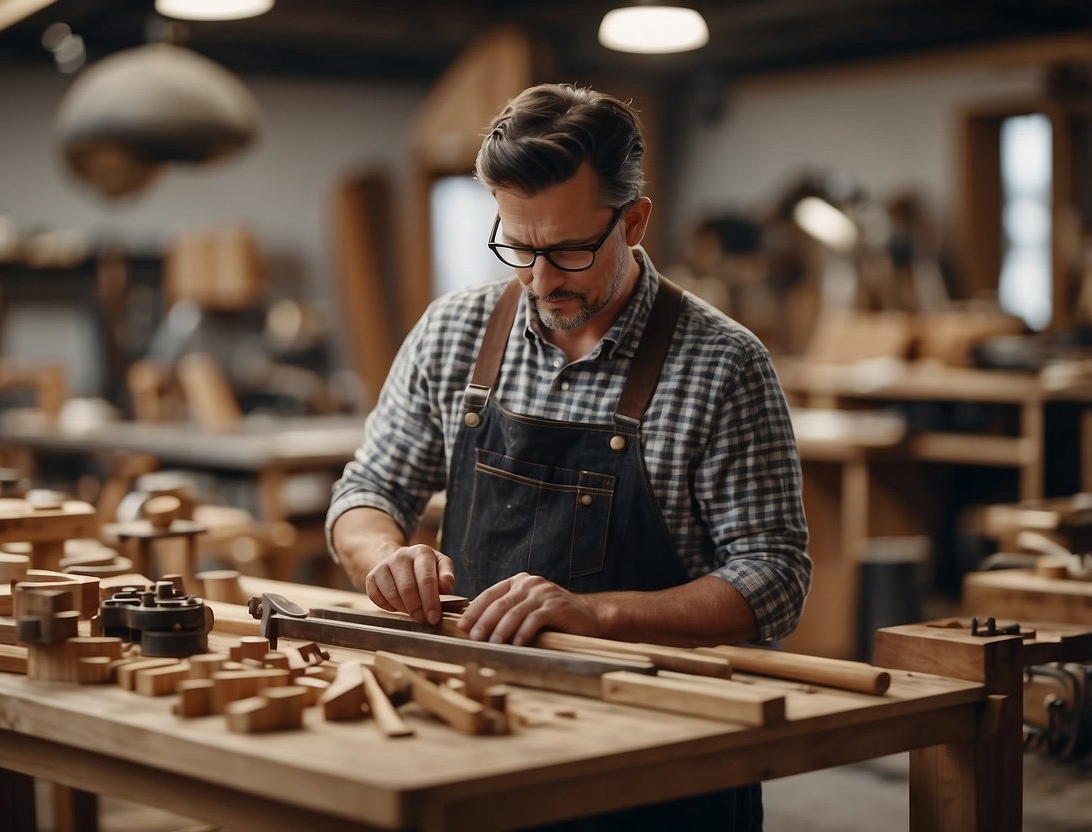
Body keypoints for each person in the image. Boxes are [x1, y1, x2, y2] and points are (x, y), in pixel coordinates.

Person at [326, 82, 810, 830]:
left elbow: (773, 579)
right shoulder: (453, 332)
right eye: (518, 247)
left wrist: (596, 614)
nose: (541, 280)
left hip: (657, 751)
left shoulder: (723, 365)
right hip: (475, 727)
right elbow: (368, 490)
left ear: (635, 220)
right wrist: (380, 556)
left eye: (569, 250)